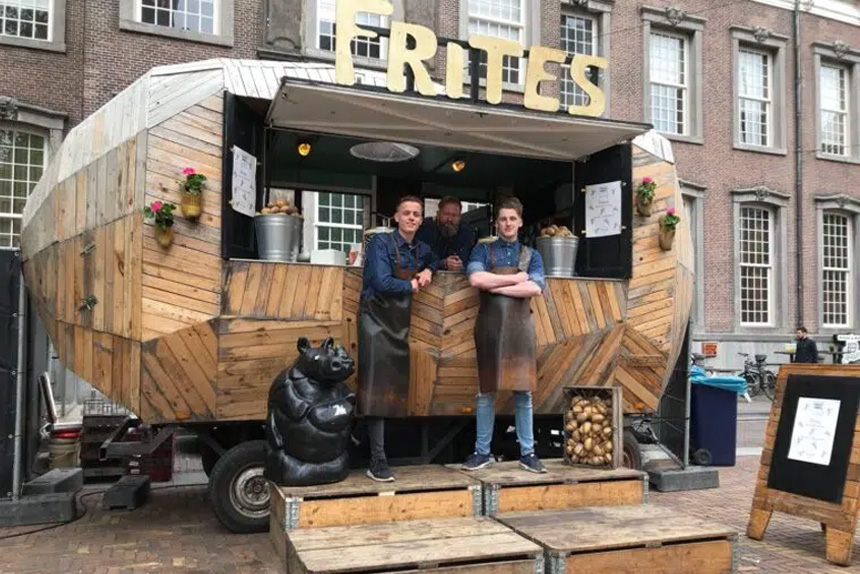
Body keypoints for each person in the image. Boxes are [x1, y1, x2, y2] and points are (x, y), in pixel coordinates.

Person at [461, 197, 547, 474]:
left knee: (523, 393)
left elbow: (535, 289)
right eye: (502, 219)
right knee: (485, 392)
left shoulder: (532, 255)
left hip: (521, 330)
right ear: (496, 223)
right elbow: (475, 280)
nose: (507, 224)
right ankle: (481, 452)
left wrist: (494, 286)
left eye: (512, 219)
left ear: (520, 221)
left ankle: (528, 452)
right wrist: (515, 279)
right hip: (488, 328)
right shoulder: (483, 250)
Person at [357, 196, 437, 482]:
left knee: (392, 387)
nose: (412, 218)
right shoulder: (380, 244)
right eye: (407, 213)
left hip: (398, 323)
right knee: (375, 389)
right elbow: (381, 281)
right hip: (375, 322)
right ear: (396, 217)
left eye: (416, 214)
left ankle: (380, 452)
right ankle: (376, 460)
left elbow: (434, 258)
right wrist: (412, 285)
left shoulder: (421, 248)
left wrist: (429, 269)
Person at [415, 196, 476, 272]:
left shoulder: (467, 232)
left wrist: (461, 265)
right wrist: (443, 263)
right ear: (438, 214)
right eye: (446, 214)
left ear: (460, 217)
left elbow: (472, 260)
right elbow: (418, 260)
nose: (449, 219)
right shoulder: (425, 228)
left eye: (454, 215)